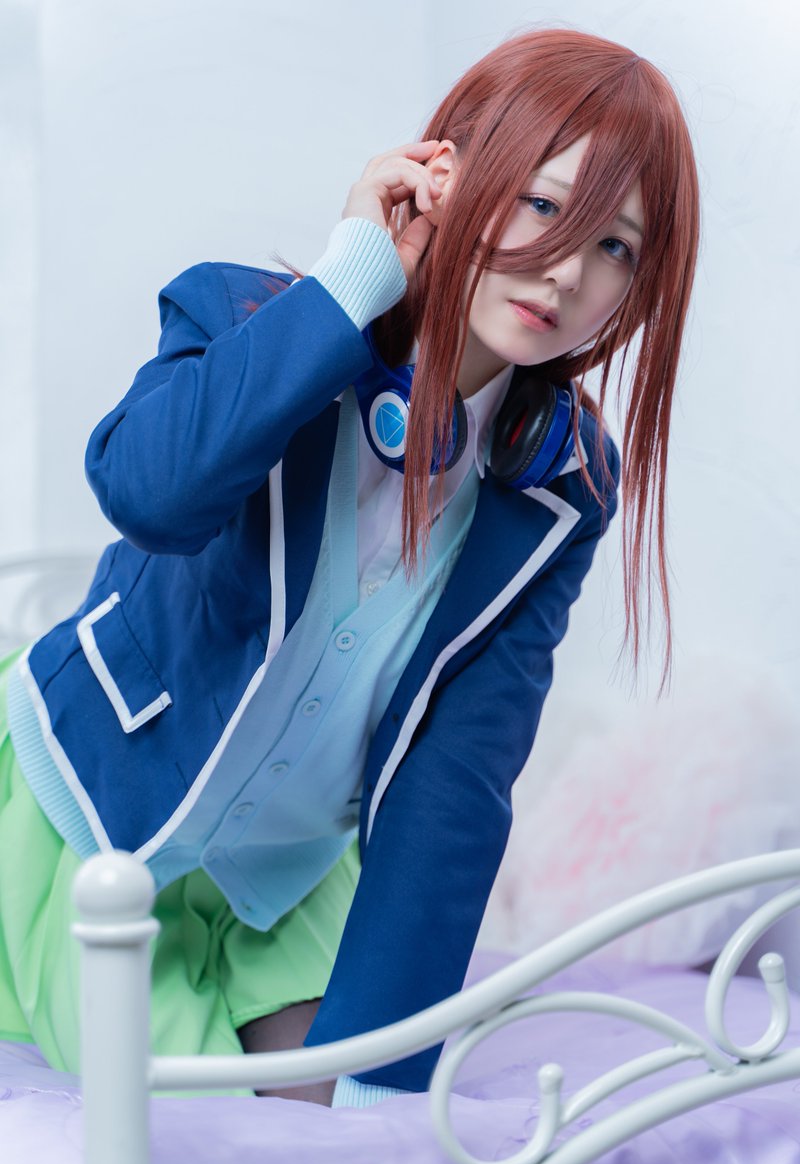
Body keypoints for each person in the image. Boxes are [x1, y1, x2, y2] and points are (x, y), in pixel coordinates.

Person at [0, 26, 699, 1107]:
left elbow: (456, 779)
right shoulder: (242, 315)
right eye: (543, 205)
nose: (567, 271)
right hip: (92, 823)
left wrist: (384, 1091)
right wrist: (349, 282)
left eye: (617, 247)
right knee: (194, 1137)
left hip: (282, 883)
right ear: (444, 173)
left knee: (344, 1131)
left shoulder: (564, 485)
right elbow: (148, 496)